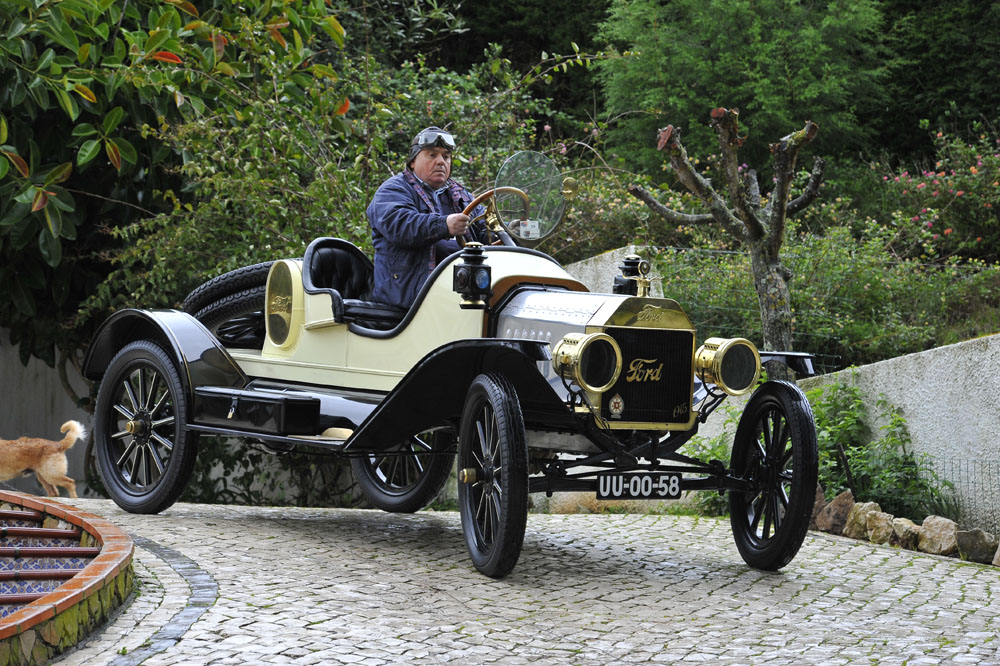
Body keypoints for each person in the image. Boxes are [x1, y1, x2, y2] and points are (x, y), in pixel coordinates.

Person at [366, 126, 485, 310]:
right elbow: (402, 226)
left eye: (446, 156)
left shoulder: (461, 195)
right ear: (413, 161)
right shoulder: (393, 190)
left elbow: (484, 227)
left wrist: (511, 229)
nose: (441, 162)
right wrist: (444, 225)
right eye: (432, 155)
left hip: (459, 296)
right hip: (406, 305)